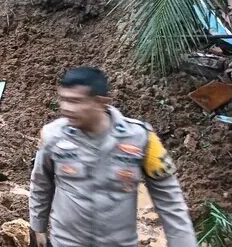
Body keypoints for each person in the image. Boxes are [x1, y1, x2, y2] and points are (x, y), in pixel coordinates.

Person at [29, 67, 196, 247]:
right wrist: (38, 227)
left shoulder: (141, 138)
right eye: (64, 99)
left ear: (101, 103)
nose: (66, 108)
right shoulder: (52, 136)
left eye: (75, 101)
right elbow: (41, 183)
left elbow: (170, 201)